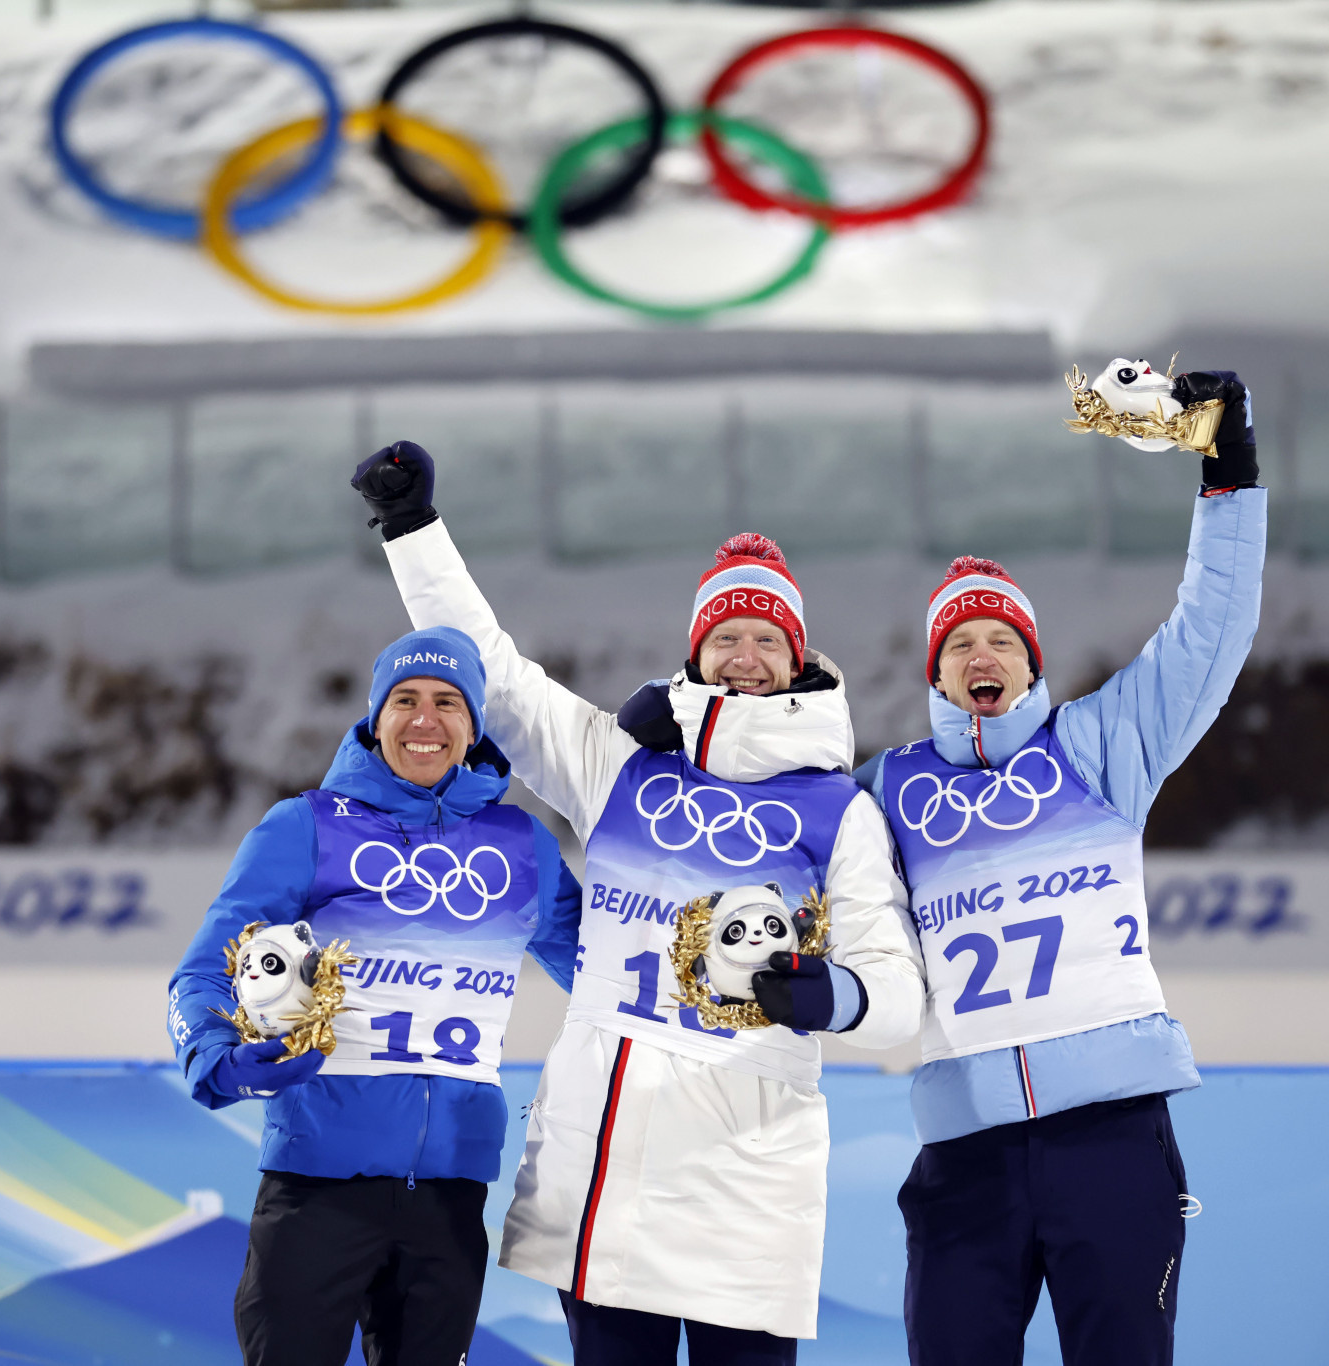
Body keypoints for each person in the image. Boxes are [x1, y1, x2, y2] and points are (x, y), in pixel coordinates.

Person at [351, 443, 923, 1366]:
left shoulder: (840, 811)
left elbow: (899, 994)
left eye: (765, 640)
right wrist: (413, 531)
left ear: (797, 660)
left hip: (745, 1180)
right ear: (696, 650)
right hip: (607, 1167)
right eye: (725, 638)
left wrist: (834, 997)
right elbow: (496, 676)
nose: (744, 657)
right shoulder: (623, 765)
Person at [854, 371, 1267, 1366]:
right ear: (935, 673)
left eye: (1000, 635)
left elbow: (1209, 629)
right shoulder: (886, 789)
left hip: (1111, 1138)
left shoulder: (1100, 748)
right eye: (959, 641)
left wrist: (1229, 472)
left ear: (1031, 662)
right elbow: (770, 837)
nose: (979, 650)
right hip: (964, 1155)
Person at [166, 627, 583, 1366]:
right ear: (374, 717)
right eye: (406, 700)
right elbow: (202, 974)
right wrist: (218, 1054)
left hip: (450, 1195)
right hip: (316, 1185)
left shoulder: (523, 847)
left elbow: (608, 977)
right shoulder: (305, 828)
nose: (425, 719)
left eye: (448, 702)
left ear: (475, 724)